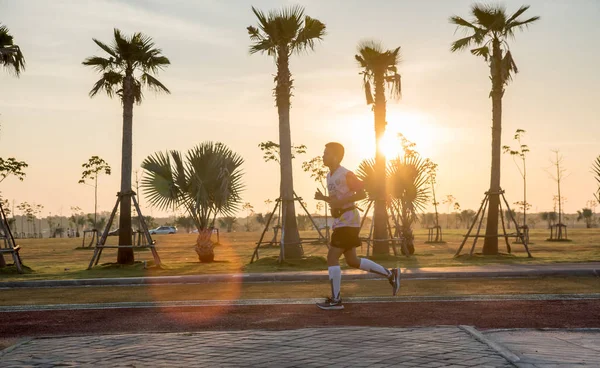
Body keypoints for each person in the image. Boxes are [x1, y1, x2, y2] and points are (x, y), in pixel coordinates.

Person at [314, 142, 400, 310]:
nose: (323, 156)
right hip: (341, 220)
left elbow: (361, 193)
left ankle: (336, 300)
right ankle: (391, 274)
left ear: (336, 156)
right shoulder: (329, 176)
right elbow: (337, 199)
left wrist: (341, 202)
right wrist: (323, 198)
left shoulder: (346, 174)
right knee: (352, 260)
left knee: (332, 257)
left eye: (326, 153)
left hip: (348, 220)